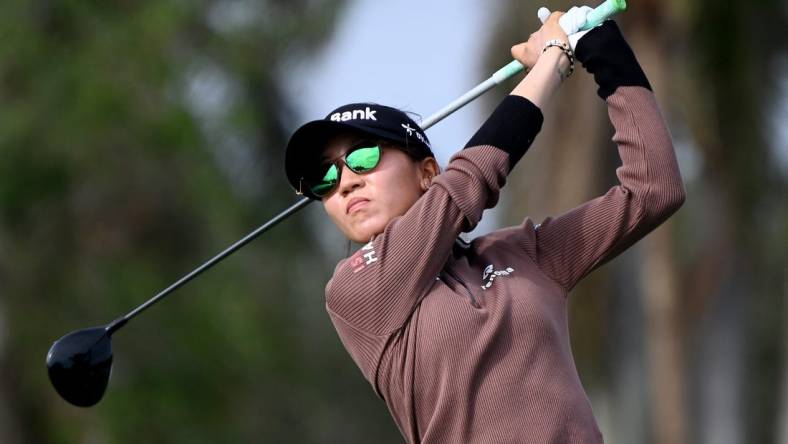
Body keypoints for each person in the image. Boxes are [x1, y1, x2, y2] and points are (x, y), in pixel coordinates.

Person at [284, 10, 685, 444]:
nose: (345, 182)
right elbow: (467, 182)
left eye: (364, 158)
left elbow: (654, 188)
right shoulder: (355, 289)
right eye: (325, 180)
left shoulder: (523, 253)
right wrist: (553, 59)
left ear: (426, 172)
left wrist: (603, 47)